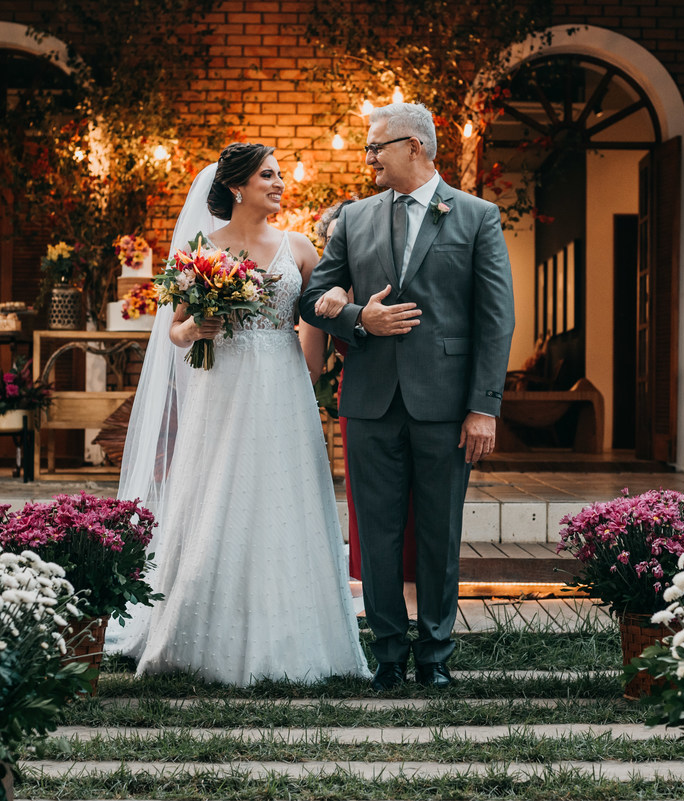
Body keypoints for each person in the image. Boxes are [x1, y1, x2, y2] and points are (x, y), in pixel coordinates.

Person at [115, 143, 368, 686]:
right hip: (221, 391)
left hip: (283, 390)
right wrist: (195, 329)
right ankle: (201, 630)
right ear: (236, 186)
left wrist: (331, 313)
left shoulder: (299, 248)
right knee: (217, 493)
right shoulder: (200, 249)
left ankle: (295, 632)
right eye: (268, 176)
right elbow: (176, 332)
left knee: (283, 497)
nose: (279, 184)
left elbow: (316, 340)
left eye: (279, 175)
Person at [299, 103, 515, 691]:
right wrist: (356, 317)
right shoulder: (353, 217)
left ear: (414, 147)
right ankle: (390, 654)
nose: (368, 157)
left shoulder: (477, 217)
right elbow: (312, 294)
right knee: (377, 532)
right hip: (370, 400)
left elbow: (495, 321)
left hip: (447, 407)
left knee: (441, 532)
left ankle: (436, 655)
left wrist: (483, 407)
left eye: (377, 147)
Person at [313, 202, 418, 584]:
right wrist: (341, 294)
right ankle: (369, 575)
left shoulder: (391, 274)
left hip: (415, 391)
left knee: (414, 497)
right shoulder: (331, 290)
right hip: (362, 394)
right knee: (368, 498)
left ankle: (414, 576)